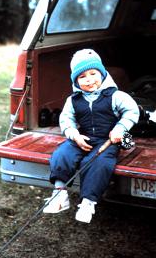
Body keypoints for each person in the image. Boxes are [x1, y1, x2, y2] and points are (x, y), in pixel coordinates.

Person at [43, 48, 140, 223]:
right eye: (82, 77)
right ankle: (60, 194)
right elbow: (66, 119)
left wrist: (120, 128)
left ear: (102, 74)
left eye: (93, 73)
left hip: (108, 140)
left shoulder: (116, 96)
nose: (89, 80)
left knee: (98, 162)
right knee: (62, 154)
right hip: (83, 137)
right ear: (76, 81)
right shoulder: (73, 100)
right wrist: (74, 135)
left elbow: (131, 112)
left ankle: (88, 202)